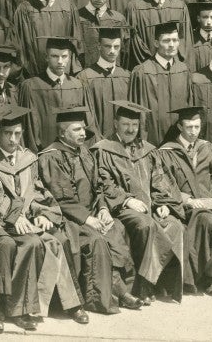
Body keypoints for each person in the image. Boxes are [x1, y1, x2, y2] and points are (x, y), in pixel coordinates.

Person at [0, 105, 70, 330]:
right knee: (32, 243)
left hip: (24, 221)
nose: (13, 139)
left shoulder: (28, 158)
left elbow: (37, 191)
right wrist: (14, 217)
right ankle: (17, 308)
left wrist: (42, 213)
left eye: (17, 133)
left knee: (54, 239)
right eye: (8, 133)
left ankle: (54, 305)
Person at [37, 107, 127, 322]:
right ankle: (88, 301)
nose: (83, 134)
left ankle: (120, 291)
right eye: (76, 129)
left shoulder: (85, 152)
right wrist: (88, 219)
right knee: (95, 239)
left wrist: (103, 209)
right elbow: (60, 198)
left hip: (91, 213)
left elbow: (98, 187)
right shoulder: (51, 157)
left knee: (117, 228)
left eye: (83, 129)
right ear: (62, 133)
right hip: (66, 218)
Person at [90, 101, 177, 305]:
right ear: (115, 124)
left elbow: (159, 179)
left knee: (175, 225)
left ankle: (162, 283)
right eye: (126, 124)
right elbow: (103, 183)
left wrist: (161, 203)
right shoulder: (103, 149)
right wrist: (127, 200)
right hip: (119, 208)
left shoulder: (147, 149)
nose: (131, 129)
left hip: (149, 206)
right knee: (145, 224)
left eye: (135, 125)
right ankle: (142, 285)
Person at [152, 106, 212, 296]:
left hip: (210, 203)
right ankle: (210, 277)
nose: (194, 132)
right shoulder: (167, 152)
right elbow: (165, 186)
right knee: (209, 221)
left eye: (197, 127)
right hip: (185, 207)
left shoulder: (207, 148)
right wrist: (188, 200)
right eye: (189, 127)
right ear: (180, 126)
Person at [18, 37, 87, 151]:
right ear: (46, 57)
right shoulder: (31, 86)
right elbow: (29, 127)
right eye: (54, 56)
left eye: (64, 56)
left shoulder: (77, 85)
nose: (60, 61)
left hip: (72, 152)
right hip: (43, 151)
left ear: (69, 57)